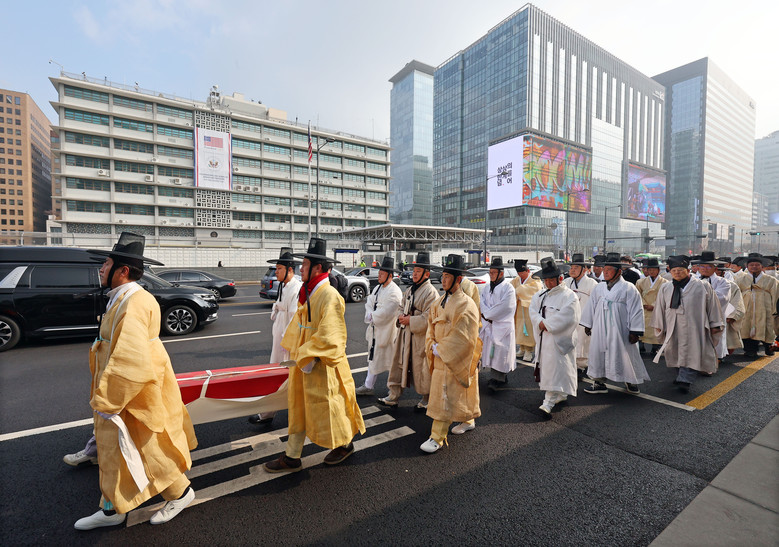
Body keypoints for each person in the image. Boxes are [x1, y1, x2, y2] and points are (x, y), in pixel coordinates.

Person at [75, 233, 198, 530]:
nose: (101, 269)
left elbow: (130, 359)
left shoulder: (134, 304)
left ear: (123, 270)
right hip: (130, 386)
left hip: (133, 390)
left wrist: (109, 401)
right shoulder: (126, 298)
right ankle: (113, 507)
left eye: (106, 264)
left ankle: (178, 494)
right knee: (126, 449)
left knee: (143, 447)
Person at [264, 237, 365, 472]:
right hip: (304, 360)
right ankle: (292, 455)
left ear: (318, 268)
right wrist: (293, 350)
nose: (301, 268)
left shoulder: (329, 295)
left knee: (331, 407)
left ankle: (345, 444)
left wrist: (308, 353)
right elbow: (299, 324)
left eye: (306, 264)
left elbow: (332, 336)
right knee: (299, 406)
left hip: (323, 364)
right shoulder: (309, 291)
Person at [421, 254, 482, 453]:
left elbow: (465, 335)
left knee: (446, 395)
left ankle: (437, 436)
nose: (444, 279)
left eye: (448, 276)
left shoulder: (466, 304)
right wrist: (431, 343)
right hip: (439, 354)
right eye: (443, 275)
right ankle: (468, 418)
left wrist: (443, 348)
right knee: (454, 392)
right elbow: (430, 325)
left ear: (458, 279)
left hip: (451, 355)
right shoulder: (439, 302)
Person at [652, 256, 724, 393]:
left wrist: (715, 324)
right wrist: (659, 324)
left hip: (694, 326)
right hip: (673, 325)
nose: (677, 273)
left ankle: (685, 379)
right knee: (674, 351)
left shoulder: (702, 286)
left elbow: (712, 306)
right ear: (669, 271)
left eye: (680, 270)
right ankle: (681, 374)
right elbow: (660, 307)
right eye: (674, 270)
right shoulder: (666, 287)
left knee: (692, 352)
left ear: (688, 270)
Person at [580, 252, 650, 394]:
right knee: (598, 352)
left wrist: (635, 331)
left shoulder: (629, 288)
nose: (605, 273)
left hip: (620, 328)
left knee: (625, 353)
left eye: (609, 270)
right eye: (604, 270)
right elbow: (591, 306)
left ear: (618, 272)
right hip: (600, 327)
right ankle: (599, 382)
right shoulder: (599, 288)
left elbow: (636, 310)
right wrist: (588, 324)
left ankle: (631, 380)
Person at [248, 248, 302, 425]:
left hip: (287, 338)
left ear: (290, 270)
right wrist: (276, 310)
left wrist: (287, 340)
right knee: (277, 373)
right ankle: (269, 412)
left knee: (287, 376)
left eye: (279, 268)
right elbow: (278, 304)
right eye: (276, 268)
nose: (276, 272)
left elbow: (295, 317)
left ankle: (283, 412)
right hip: (279, 332)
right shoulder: (284, 285)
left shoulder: (297, 288)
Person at [380, 251, 440, 410]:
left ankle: (426, 398)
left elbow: (430, 317)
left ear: (426, 274)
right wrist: (401, 316)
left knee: (422, 368)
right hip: (405, 334)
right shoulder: (410, 290)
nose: (414, 274)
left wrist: (410, 320)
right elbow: (401, 306)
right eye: (414, 271)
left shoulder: (431, 292)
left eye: (418, 271)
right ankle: (393, 395)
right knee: (397, 364)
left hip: (419, 337)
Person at [530, 257, 581, 417]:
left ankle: (548, 402)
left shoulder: (569, 296)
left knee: (557, 368)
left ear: (559, 278)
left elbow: (570, 316)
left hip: (558, 339)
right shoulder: (540, 295)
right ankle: (561, 394)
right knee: (552, 369)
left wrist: (548, 325)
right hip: (544, 339)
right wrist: (540, 322)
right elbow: (532, 310)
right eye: (546, 280)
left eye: (552, 280)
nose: (549, 283)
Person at [356, 256, 402, 395]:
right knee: (373, 358)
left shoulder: (395, 292)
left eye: (382, 274)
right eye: (379, 273)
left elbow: (388, 311)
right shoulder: (377, 288)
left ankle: (393, 390)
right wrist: (370, 314)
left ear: (390, 275)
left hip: (388, 332)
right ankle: (368, 386)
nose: (379, 276)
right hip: (376, 330)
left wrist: (373, 316)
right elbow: (369, 302)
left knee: (391, 362)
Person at [479, 256, 517, 392]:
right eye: (490, 272)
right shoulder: (487, 287)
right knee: (492, 353)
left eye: (493, 272)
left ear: (501, 273)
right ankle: (498, 377)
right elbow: (481, 302)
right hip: (490, 324)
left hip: (502, 325)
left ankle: (499, 378)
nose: (491, 275)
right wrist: (486, 314)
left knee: (501, 353)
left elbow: (506, 306)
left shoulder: (508, 288)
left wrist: (488, 314)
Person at [735, 253, 779, 358]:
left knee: (768, 328)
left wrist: (775, 310)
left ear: (761, 266)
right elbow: (735, 295)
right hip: (746, 308)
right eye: (751, 265)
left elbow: (776, 296)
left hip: (766, 308)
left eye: (757, 265)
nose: (754, 266)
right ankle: (750, 350)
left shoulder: (771, 280)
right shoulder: (740, 280)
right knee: (746, 328)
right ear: (747, 266)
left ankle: (769, 348)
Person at [694, 252, 731, 369]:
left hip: (714, 315)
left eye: (709, 266)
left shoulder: (723, 282)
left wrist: (700, 298)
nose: (705, 269)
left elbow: (722, 298)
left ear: (715, 268)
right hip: (696, 315)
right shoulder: (692, 280)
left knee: (714, 338)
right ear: (698, 268)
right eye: (703, 266)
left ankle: (714, 361)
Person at [563, 253, 598, 380]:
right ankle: (573, 367)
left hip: (585, 320)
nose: (572, 270)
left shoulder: (592, 284)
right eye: (571, 267)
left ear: (584, 270)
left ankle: (583, 367)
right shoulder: (566, 282)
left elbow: (596, 304)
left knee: (584, 344)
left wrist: (591, 322)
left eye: (576, 268)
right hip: (570, 320)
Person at [511, 259, 543, 362]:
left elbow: (537, 288)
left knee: (528, 328)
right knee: (519, 328)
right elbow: (510, 289)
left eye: (522, 272)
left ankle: (529, 351)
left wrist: (519, 291)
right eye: (518, 273)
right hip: (519, 307)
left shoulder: (534, 279)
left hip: (529, 307)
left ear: (527, 271)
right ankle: (522, 348)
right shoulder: (516, 280)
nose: (520, 275)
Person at [635, 257, 668, 356]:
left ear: (658, 270)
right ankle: (641, 346)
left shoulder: (665, 283)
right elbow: (637, 295)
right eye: (649, 269)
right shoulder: (640, 282)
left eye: (654, 269)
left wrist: (654, 306)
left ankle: (656, 347)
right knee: (643, 328)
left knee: (656, 327)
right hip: (644, 309)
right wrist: (644, 304)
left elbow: (665, 297)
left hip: (657, 309)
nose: (652, 271)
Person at [716, 262, 746, 360]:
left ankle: (720, 356)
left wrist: (732, 315)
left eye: (718, 271)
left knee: (726, 338)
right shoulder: (699, 283)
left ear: (723, 273)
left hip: (725, 314)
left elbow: (737, 301)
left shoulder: (731, 285)